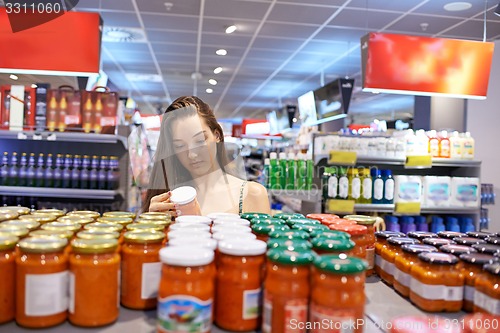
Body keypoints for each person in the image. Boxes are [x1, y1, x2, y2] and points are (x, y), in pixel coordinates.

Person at [142, 96, 270, 216]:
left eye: (200, 141)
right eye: (180, 146)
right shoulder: (169, 199)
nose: (192, 154)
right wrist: (153, 224)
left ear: (217, 136)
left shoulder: (252, 194)